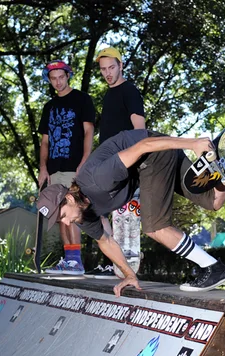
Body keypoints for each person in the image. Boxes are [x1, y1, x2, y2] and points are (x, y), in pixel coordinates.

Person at [36, 129, 225, 296]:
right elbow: (105, 241)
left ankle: (214, 268)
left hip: (153, 151)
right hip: (154, 160)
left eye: (62, 216)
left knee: (155, 226)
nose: (67, 223)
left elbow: (144, 146)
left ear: (69, 198)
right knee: (212, 201)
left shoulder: (97, 179)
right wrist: (129, 274)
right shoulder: (81, 215)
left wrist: (192, 143)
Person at [89, 46, 146, 277]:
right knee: (103, 211)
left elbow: (140, 129)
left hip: (126, 163)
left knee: (126, 212)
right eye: (103, 69)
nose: (108, 73)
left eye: (112, 67)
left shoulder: (129, 91)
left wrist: (134, 161)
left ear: (121, 65)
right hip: (108, 164)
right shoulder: (109, 95)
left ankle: (130, 258)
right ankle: (113, 260)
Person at [37, 60, 96, 275]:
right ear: (49, 80)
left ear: (68, 75)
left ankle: (76, 261)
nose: (58, 82)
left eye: (61, 77)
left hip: (74, 165)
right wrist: (43, 168)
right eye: (53, 79)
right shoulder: (49, 107)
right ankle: (69, 259)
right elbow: (45, 141)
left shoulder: (81, 99)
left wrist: (85, 160)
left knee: (72, 211)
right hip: (54, 169)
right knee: (58, 212)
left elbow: (89, 132)